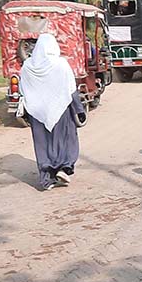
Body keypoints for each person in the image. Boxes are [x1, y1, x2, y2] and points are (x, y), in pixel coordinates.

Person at [19, 34, 86, 191]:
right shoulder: (61, 64)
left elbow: (23, 91)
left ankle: (47, 179)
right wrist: (79, 109)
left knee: (43, 144)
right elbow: (71, 89)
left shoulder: (27, 66)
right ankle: (64, 168)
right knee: (66, 139)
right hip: (60, 109)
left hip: (37, 112)